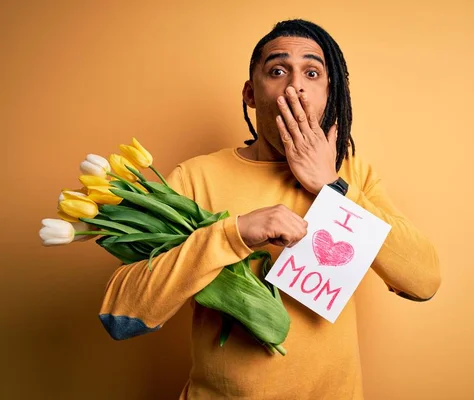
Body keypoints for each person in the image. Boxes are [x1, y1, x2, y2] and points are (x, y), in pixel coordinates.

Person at [99, 19, 441, 400]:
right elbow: (122, 316)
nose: (295, 85)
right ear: (250, 92)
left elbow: (423, 281)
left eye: (312, 72)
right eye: (277, 71)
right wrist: (234, 234)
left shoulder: (351, 173)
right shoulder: (196, 177)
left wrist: (331, 186)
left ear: (329, 93)